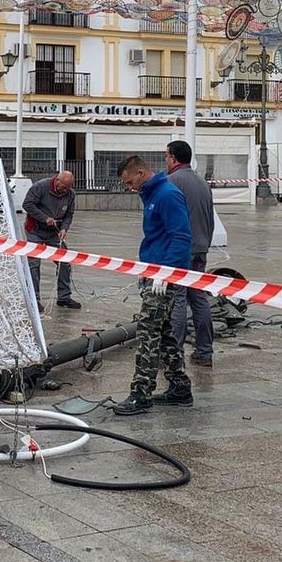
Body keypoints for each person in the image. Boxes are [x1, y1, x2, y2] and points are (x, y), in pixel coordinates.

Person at [113, 156, 193, 416]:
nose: (129, 188)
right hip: (155, 271)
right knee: (166, 330)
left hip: (164, 274)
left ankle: (141, 393)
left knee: (148, 331)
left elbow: (181, 236)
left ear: (140, 173)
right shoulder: (152, 193)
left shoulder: (166, 195)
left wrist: (166, 273)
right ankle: (180, 385)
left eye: (129, 182)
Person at [164, 141, 216, 366]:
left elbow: (166, 222)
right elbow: (210, 218)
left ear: (174, 158)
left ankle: (174, 354)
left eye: (166, 156)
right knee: (199, 299)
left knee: (177, 300)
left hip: (180, 251)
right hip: (201, 248)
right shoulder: (202, 181)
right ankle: (205, 351)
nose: (165, 160)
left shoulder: (171, 182)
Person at [22, 170, 80, 310]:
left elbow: (69, 214)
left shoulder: (70, 194)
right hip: (34, 230)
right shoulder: (40, 187)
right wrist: (44, 218)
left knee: (64, 261)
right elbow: (27, 205)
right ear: (57, 180)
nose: (64, 190)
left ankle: (64, 297)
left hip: (54, 232)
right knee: (34, 264)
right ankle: (34, 299)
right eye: (63, 187)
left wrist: (64, 229)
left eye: (68, 188)